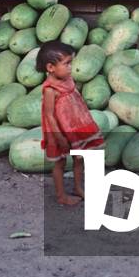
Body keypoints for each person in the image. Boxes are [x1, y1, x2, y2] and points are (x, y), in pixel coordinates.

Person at [38, 41, 104, 205]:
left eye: (70, 63)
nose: (70, 67)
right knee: (60, 162)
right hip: (60, 130)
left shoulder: (68, 79)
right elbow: (49, 115)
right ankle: (61, 196)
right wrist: (59, 137)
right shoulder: (49, 89)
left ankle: (78, 188)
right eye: (66, 64)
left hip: (75, 125)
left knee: (79, 157)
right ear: (50, 68)